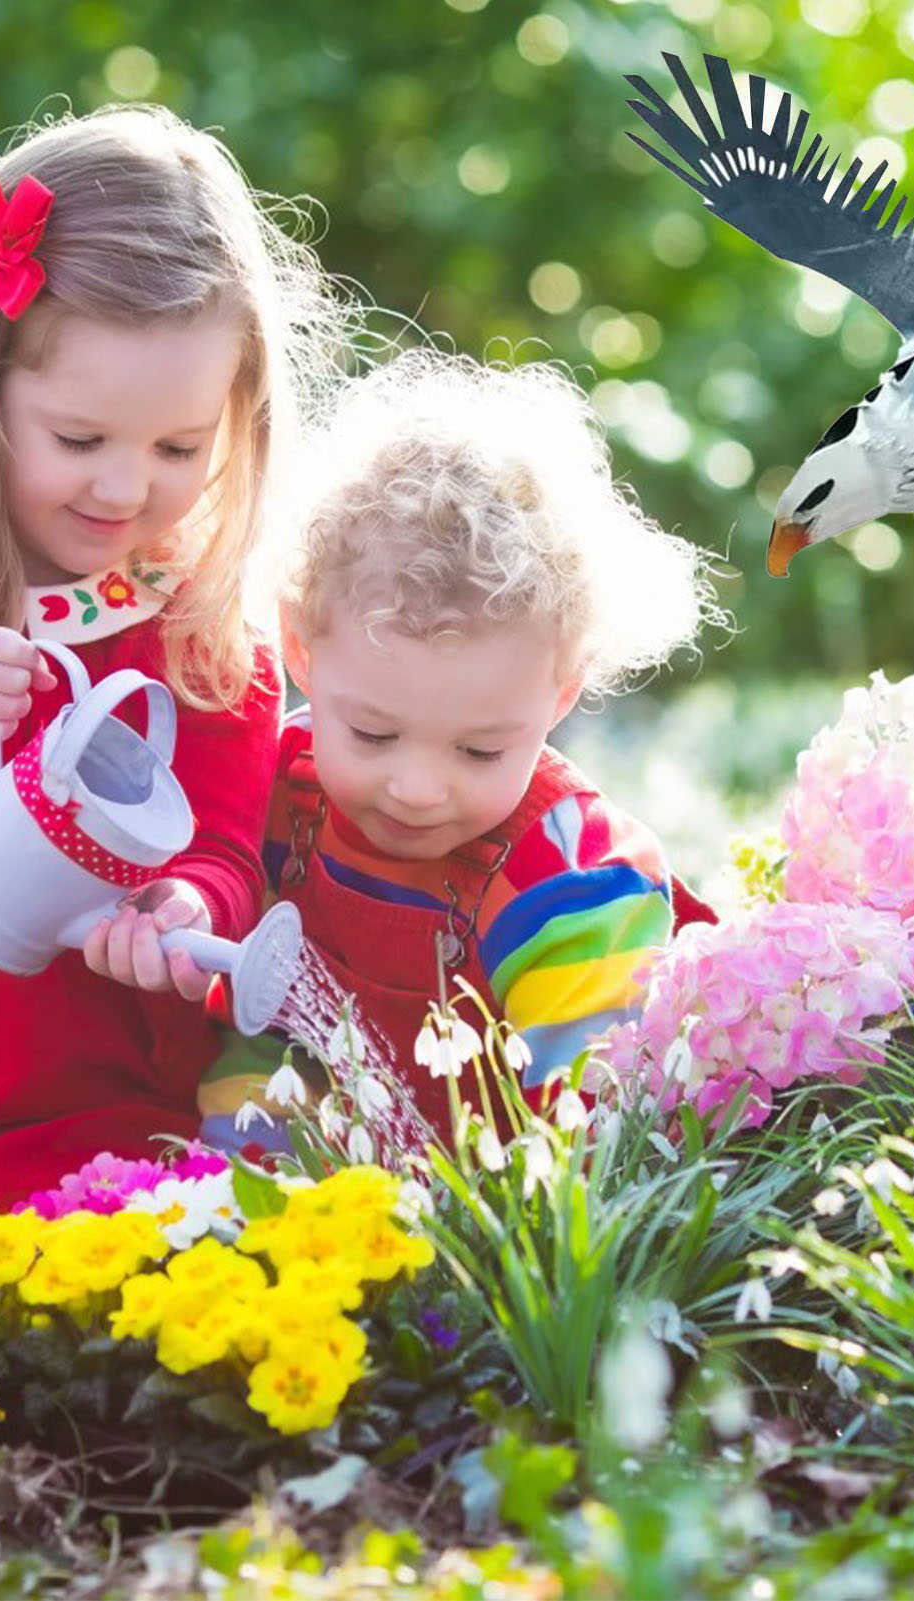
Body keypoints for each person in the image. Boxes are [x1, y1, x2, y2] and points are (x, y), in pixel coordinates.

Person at [0, 105, 349, 1204]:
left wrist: (188, 902)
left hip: (101, 1126)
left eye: (180, 447)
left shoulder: (198, 621)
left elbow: (227, 845)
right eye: (79, 439)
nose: (126, 489)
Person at [198, 349, 728, 1149]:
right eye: (372, 733)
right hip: (340, 1211)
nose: (416, 787)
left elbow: (597, 1118)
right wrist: (246, 1176)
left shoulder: (573, 874)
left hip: (511, 1222)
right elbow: (268, 1031)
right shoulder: (277, 792)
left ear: (562, 690)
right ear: (299, 646)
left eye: (481, 750)